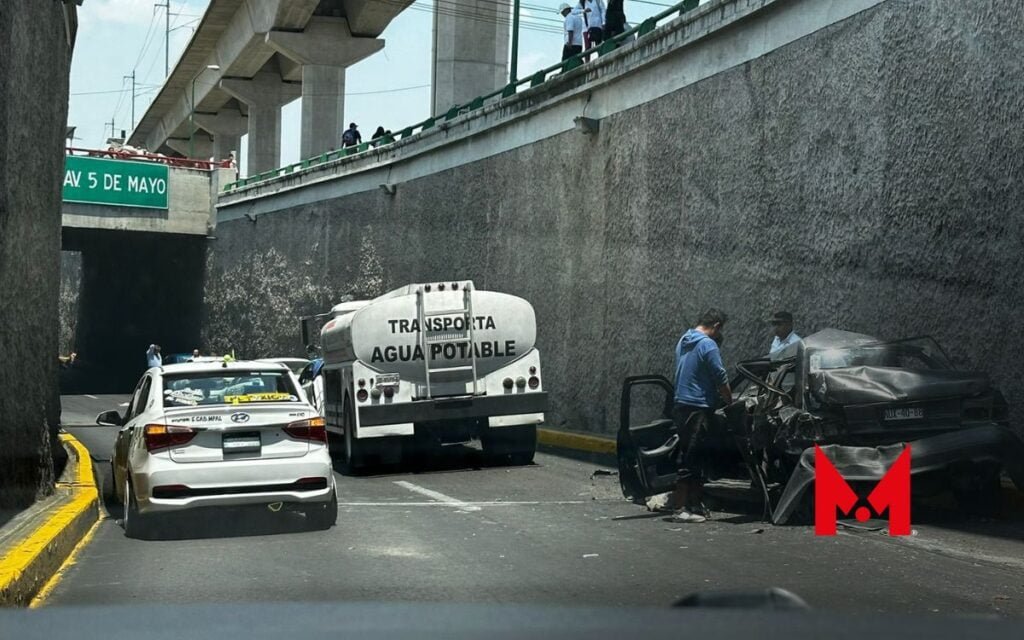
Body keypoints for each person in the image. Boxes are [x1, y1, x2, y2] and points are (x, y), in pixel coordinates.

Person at [668, 309, 732, 523]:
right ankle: (680, 509)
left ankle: (694, 504)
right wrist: (730, 401)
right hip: (698, 407)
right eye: (719, 329)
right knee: (691, 457)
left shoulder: (684, 340)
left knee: (693, 455)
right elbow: (719, 376)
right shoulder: (708, 344)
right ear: (715, 325)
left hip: (681, 405)